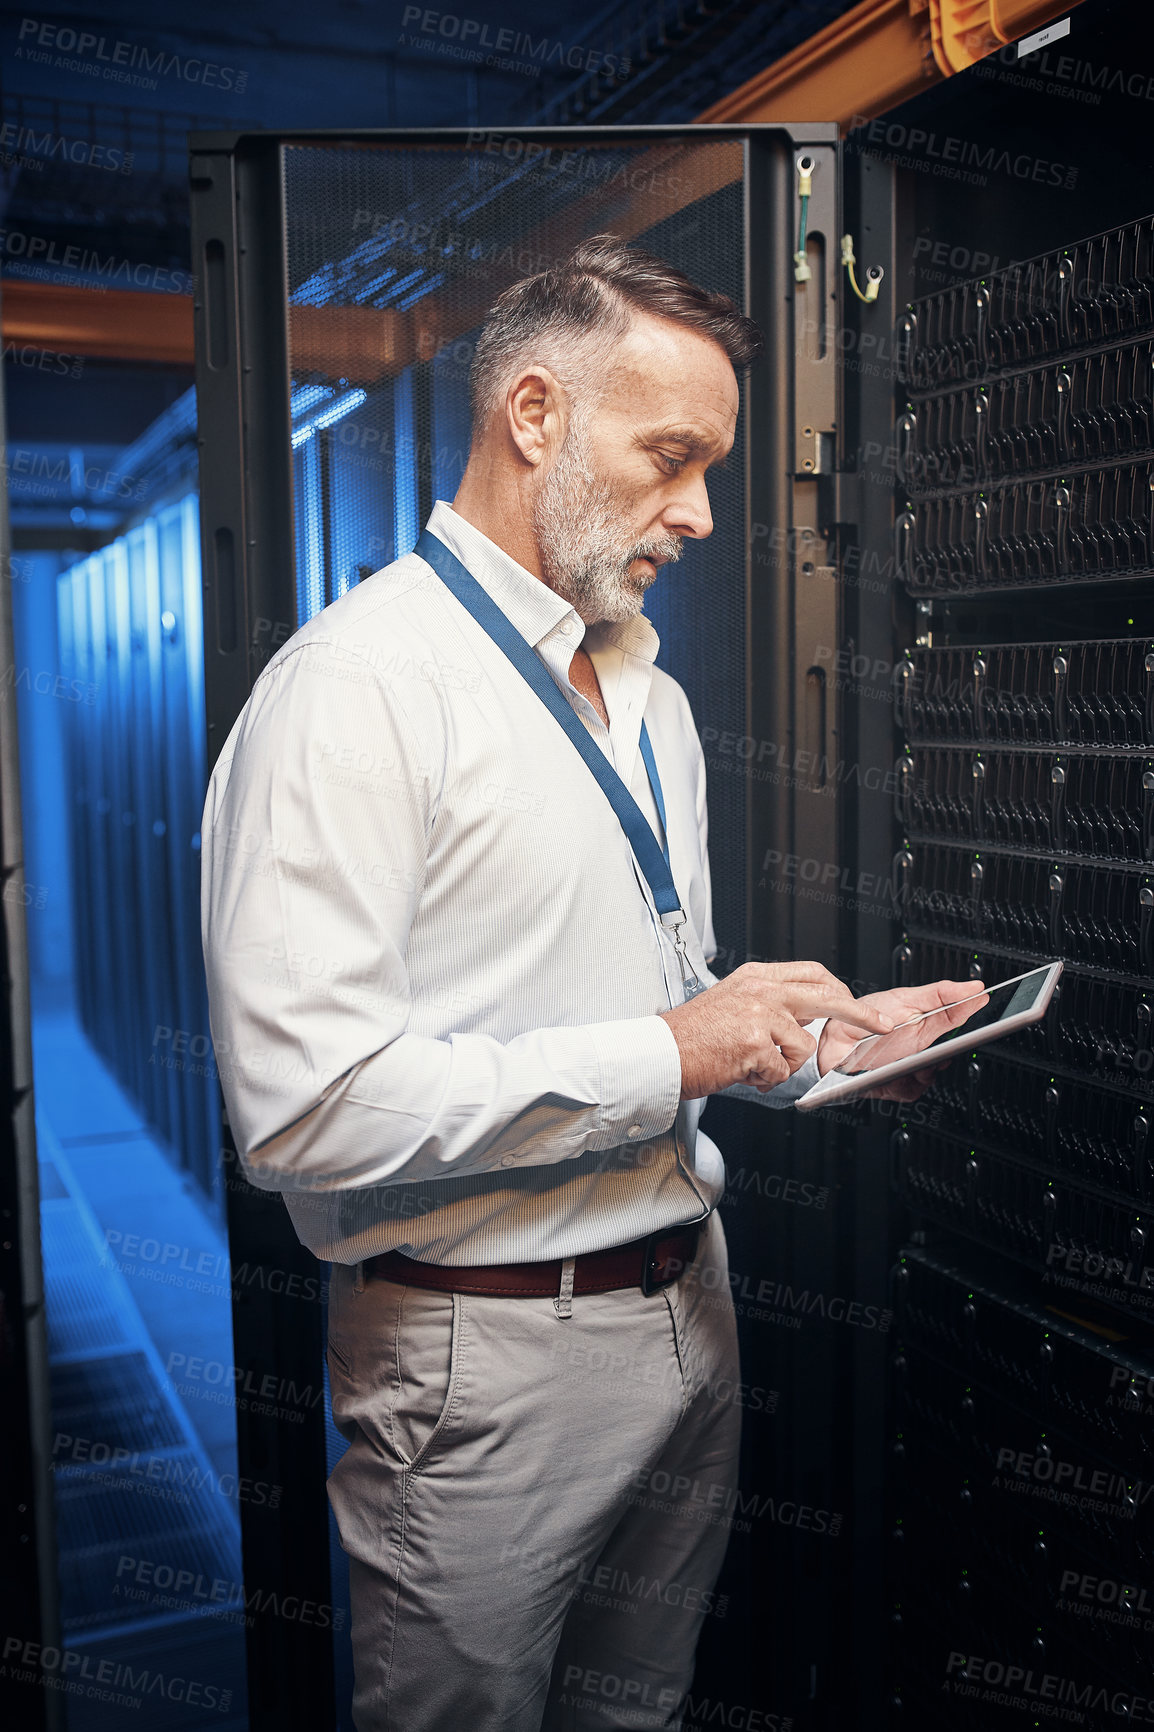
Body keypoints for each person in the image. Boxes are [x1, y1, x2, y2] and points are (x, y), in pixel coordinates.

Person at [200, 234, 982, 1731]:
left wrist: (821, 1047)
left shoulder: (648, 691)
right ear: (536, 415)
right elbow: (304, 1114)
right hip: (478, 1364)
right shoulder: (354, 695)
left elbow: (654, 996)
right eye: (671, 457)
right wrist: (676, 1049)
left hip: (688, 1310)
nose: (697, 513)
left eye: (712, 468)